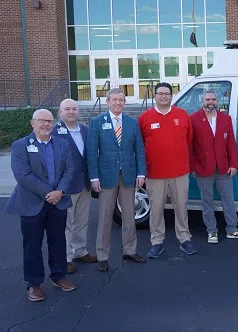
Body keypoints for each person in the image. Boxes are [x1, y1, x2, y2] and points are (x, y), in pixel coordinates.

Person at [5, 109, 76, 301]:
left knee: (58, 241)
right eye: (41, 120)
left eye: (49, 121)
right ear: (32, 123)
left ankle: (59, 276)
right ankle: (34, 283)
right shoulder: (20, 146)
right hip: (32, 203)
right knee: (32, 244)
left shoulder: (62, 144)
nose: (46, 124)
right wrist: (48, 193)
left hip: (58, 201)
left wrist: (60, 191)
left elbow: (69, 170)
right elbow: (23, 175)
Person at [87, 88, 147, 272]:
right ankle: (102, 256)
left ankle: (130, 251)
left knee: (129, 216)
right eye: (114, 100)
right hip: (106, 177)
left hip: (128, 175)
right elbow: (92, 152)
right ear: (107, 102)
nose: (118, 103)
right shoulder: (97, 122)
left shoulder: (132, 123)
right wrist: (94, 177)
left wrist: (141, 173)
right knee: (105, 217)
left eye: (121, 100)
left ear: (124, 102)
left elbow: (139, 150)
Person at [139, 82, 197, 259]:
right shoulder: (145, 118)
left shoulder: (182, 115)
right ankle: (157, 241)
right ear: (155, 96)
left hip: (180, 172)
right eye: (160, 93)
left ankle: (184, 238)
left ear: (172, 96)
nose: (164, 96)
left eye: (167, 93)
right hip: (155, 173)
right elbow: (140, 145)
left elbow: (189, 140)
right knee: (156, 209)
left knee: (181, 207)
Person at [190, 90, 238, 243]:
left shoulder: (225, 118)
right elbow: (189, 145)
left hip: (223, 167)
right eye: (207, 99)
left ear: (217, 101)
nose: (210, 102)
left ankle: (232, 229)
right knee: (207, 202)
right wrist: (192, 167)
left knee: (228, 200)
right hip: (203, 168)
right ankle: (212, 231)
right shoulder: (193, 119)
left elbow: (231, 143)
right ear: (202, 101)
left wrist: (233, 164)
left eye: (213, 99)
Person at [52, 99, 97, 274]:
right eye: (67, 109)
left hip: (84, 184)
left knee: (82, 220)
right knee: (66, 223)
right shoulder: (54, 132)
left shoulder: (85, 130)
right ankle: (66, 258)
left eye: (74, 109)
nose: (71, 112)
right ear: (60, 112)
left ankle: (80, 250)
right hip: (66, 186)